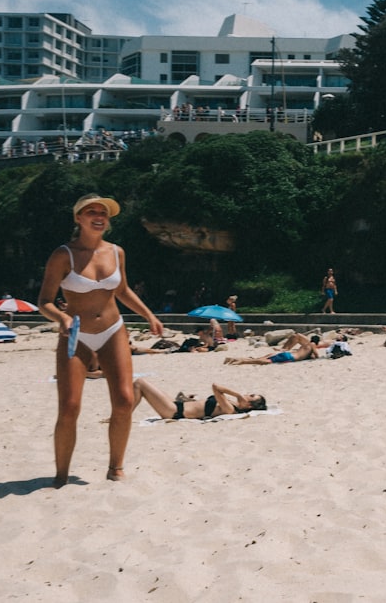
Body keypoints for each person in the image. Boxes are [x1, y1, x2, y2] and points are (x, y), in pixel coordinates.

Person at [38, 193, 163, 488]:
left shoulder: (116, 252)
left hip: (112, 331)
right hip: (76, 334)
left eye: (103, 213)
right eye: (91, 211)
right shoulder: (62, 255)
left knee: (124, 399)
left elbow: (122, 290)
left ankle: (115, 467)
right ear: (78, 218)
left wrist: (149, 315)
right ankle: (61, 475)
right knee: (69, 406)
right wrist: (63, 318)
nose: (99, 216)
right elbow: (44, 301)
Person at [132, 378, 266, 420]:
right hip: (178, 405)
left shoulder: (230, 409)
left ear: (249, 405)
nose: (248, 393)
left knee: (140, 383)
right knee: (145, 385)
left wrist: (237, 395)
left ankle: (124, 415)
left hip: (174, 411)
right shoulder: (230, 403)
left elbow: (216, 386)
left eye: (252, 395)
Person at [223, 338, 320, 364]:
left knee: (259, 359)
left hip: (287, 354)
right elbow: (316, 355)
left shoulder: (305, 345)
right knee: (263, 361)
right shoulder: (312, 345)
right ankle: (243, 361)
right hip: (289, 357)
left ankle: (235, 359)